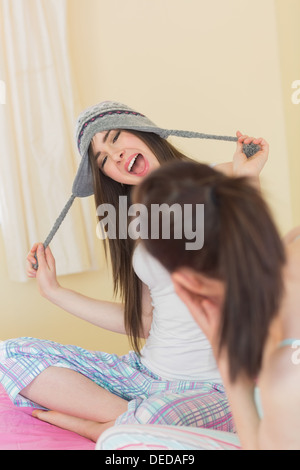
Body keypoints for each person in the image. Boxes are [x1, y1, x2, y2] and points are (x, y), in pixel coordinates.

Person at [0, 100, 265, 443]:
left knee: (154, 415)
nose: (116, 157)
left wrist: (248, 178)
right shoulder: (134, 220)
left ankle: (111, 424)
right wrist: (55, 292)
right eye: (104, 160)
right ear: (108, 175)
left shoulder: (221, 177)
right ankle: (128, 420)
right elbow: (143, 320)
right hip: (144, 372)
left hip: (212, 386)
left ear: (145, 132)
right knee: (11, 353)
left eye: (115, 138)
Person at [134, 157, 300, 450]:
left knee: (121, 444)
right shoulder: (293, 242)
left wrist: (226, 363)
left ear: (186, 284)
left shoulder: (286, 378)